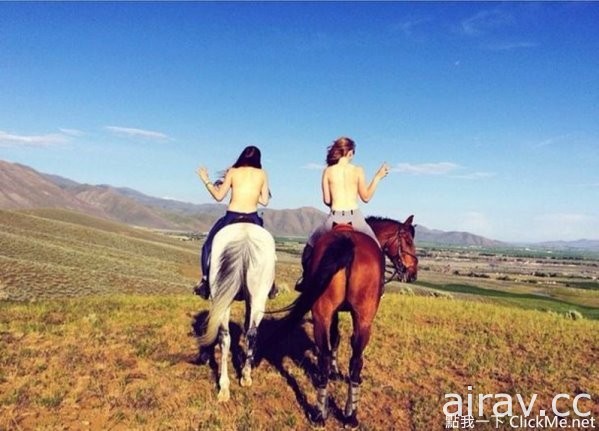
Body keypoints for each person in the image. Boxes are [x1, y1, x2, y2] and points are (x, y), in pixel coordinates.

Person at [296, 136, 389, 291]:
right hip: (356, 219)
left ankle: (306, 280)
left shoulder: (327, 171)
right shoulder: (358, 170)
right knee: (377, 249)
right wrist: (378, 177)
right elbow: (366, 197)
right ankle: (379, 284)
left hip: (334, 218)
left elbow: (327, 200)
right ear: (351, 153)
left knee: (310, 246)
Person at [194, 146, 270, 299]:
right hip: (253, 218)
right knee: (268, 249)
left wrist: (205, 180)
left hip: (232, 216)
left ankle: (205, 281)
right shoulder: (262, 173)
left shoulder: (233, 172)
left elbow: (219, 196)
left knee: (208, 247)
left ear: (242, 157)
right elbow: (265, 201)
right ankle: (271, 283)